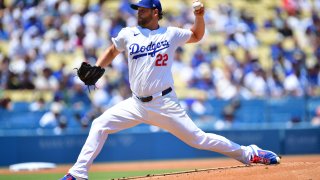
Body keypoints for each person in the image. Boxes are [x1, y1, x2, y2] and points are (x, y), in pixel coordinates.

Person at [61, 0, 280, 179]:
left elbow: (196, 35)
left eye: (143, 9)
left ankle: (248, 153)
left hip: (164, 103)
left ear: (155, 12)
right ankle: (78, 174)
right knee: (99, 124)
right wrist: (99, 66)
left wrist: (200, 16)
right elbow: (112, 50)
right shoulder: (128, 34)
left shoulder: (170, 34)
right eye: (138, 9)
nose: (139, 12)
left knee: (199, 140)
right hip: (136, 103)